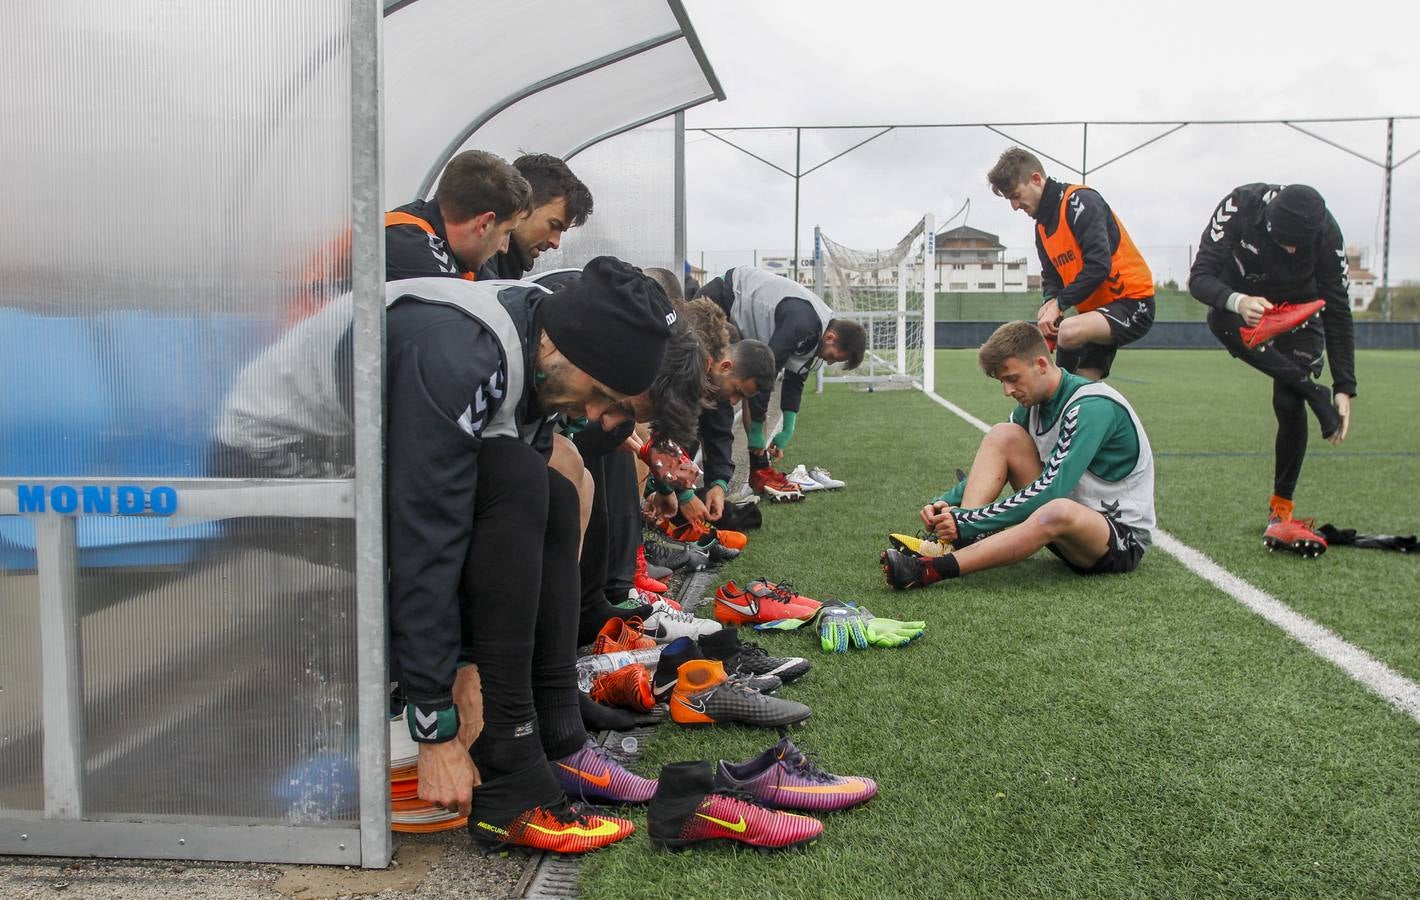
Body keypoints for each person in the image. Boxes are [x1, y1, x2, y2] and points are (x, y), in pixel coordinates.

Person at [387, 257, 679, 852]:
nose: (600, 418)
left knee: (544, 485)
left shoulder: (534, 343)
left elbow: (489, 530)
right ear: (562, 351)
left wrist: (471, 671)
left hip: (363, 473)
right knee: (522, 478)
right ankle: (513, 759)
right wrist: (435, 720)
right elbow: (426, 541)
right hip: (271, 480)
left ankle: (546, 733)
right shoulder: (462, 356)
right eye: (602, 395)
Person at [880, 321, 1155, 590]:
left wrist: (968, 520)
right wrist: (944, 502)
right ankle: (952, 544)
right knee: (1003, 435)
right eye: (1002, 381)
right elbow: (990, 469)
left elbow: (1052, 490)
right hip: (1062, 527)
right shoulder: (1032, 406)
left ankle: (931, 569)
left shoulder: (1093, 406)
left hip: (1117, 540)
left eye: (1012, 379)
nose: (1007, 391)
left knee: (1056, 508)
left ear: (1042, 365)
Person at [1189, 183, 1355, 555]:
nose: (1293, 251)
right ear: (1268, 225)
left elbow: (1339, 310)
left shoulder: (1327, 232)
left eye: (1300, 245)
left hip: (1301, 312)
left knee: (1288, 401)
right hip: (1246, 307)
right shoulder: (1240, 206)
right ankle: (1314, 392)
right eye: (1286, 243)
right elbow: (1199, 278)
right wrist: (1238, 300)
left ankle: (1281, 513)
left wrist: (1344, 386)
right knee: (1218, 318)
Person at [697, 266, 866, 500]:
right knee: (717, 392)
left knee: (744, 390)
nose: (828, 363)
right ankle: (690, 483)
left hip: (742, 323)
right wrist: (756, 430)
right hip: (722, 299)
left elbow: (795, 380)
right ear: (831, 338)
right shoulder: (804, 324)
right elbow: (766, 372)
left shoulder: (819, 333)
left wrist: (788, 429)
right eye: (833, 357)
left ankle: (757, 471)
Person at [987, 147, 1155, 381]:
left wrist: (1061, 303)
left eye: (1016, 196)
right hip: (1094, 314)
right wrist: (1049, 303)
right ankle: (1073, 409)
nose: (1014, 206)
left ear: (1036, 179)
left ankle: (1054, 392)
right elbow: (1052, 277)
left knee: (1068, 332)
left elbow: (1098, 265)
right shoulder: (1041, 227)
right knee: (1084, 385)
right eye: (1010, 200)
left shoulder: (1080, 202)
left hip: (1132, 303)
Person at [385, 149, 532, 280]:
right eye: (507, 232)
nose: (504, 248)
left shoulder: (462, 258)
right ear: (484, 224)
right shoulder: (412, 248)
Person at [478, 154, 594, 281]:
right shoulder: (476, 263)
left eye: (561, 231)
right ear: (522, 203)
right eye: (554, 225)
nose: (556, 243)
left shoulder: (504, 268)